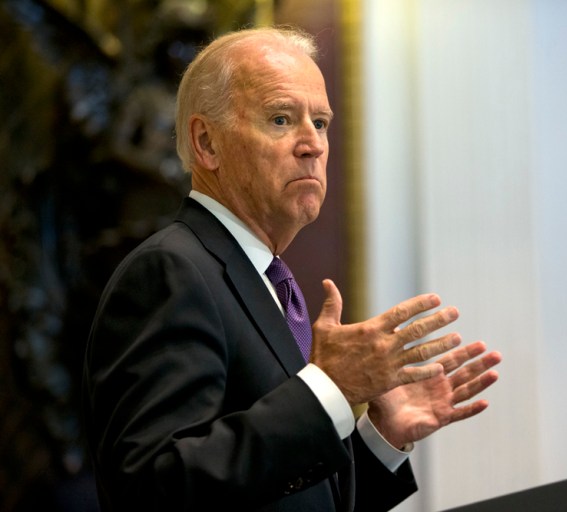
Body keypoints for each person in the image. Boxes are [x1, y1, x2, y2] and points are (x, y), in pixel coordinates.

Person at [82, 26, 502, 512]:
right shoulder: (171, 272)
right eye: (281, 119)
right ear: (207, 143)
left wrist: (381, 438)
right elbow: (153, 490)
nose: (313, 145)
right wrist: (328, 389)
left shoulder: (263, 278)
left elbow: (293, 498)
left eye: (320, 123)